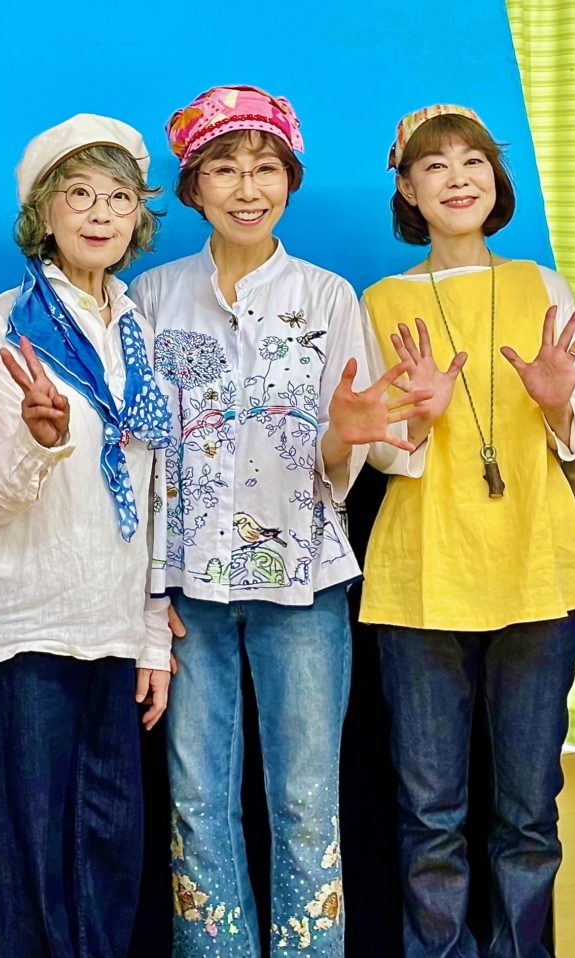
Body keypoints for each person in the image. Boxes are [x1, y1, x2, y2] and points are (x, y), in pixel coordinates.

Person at [129, 84, 428, 957]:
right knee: (196, 800)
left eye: (265, 168)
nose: (247, 187)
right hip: (188, 589)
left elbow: (339, 460)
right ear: (194, 186)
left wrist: (347, 433)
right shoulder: (151, 297)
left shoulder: (329, 297)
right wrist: (147, 594)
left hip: (305, 583)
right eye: (225, 168)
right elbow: (140, 456)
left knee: (305, 799)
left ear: (289, 181)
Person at [359, 103, 575, 958]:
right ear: (406, 190)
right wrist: (415, 422)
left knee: (529, 811)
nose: (457, 178)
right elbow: (375, 449)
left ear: (496, 181)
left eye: (473, 162)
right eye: (434, 165)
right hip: (422, 574)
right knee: (430, 814)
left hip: (537, 568)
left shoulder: (544, 285)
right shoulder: (381, 301)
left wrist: (557, 402)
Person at [0, 114, 173, 958]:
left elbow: (154, 494)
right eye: (78, 194)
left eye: (118, 196)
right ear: (43, 213)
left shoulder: (139, 331)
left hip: (112, 632)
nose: (100, 213)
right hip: (25, 632)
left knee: (109, 860)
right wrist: (34, 445)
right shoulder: (7, 325)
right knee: (24, 871)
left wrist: (152, 634)